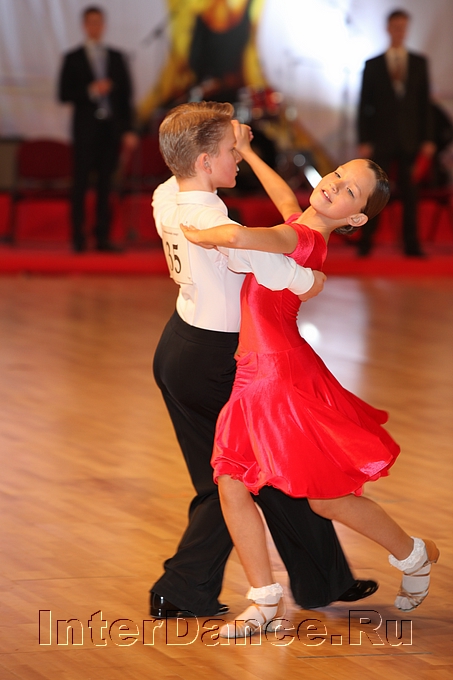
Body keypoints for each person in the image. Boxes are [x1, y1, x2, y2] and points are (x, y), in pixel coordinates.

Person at [182, 153, 439, 639]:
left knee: (325, 499)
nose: (334, 185)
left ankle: (413, 554)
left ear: (356, 219)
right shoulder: (302, 225)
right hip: (257, 370)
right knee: (234, 483)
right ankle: (264, 599)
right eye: (337, 175)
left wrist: (193, 228)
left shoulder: (300, 239)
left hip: (277, 377)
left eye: (349, 191)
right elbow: (285, 197)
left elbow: (235, 237)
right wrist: (249, 153)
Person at [150, 101, 378, 619]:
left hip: (181, 346)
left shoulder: (170, 195)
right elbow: (270, 264)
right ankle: (182, 589)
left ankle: (323, 578)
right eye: (229, 152)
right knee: (235, 478)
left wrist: (231, 144)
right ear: (205, 162)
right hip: (213, 358)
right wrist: (311, 279)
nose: (236, 157)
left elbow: (276, 217)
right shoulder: (212, 218)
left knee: (268, 469)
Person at [58, 5, 137, 252]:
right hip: (85, 130)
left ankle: (102, 236)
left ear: (104, 25)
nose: (95, 27)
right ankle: (78, 237)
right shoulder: (73, 58)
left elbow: (126, 97)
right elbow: (63, 94)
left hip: (110, 130)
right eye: (90, 22)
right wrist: (92, 91)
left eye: (99, 22)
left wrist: (129, 129)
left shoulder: (116, 57)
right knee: (80, 183)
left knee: (106, 184)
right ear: (84, 25)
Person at [357, 8, 435, 257]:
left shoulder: (420, 63)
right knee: (375, 191)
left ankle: (412, 244)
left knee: (411, 194)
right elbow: (364, 105)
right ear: (388, 28)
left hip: (411, 140)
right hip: (381, 139)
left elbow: (425, 105)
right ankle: (366, 241)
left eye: (403, 27)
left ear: (406, 29)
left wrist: (428, 139)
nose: (399, 31)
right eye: (396, 26)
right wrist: (364, 139)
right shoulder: (373, 65)